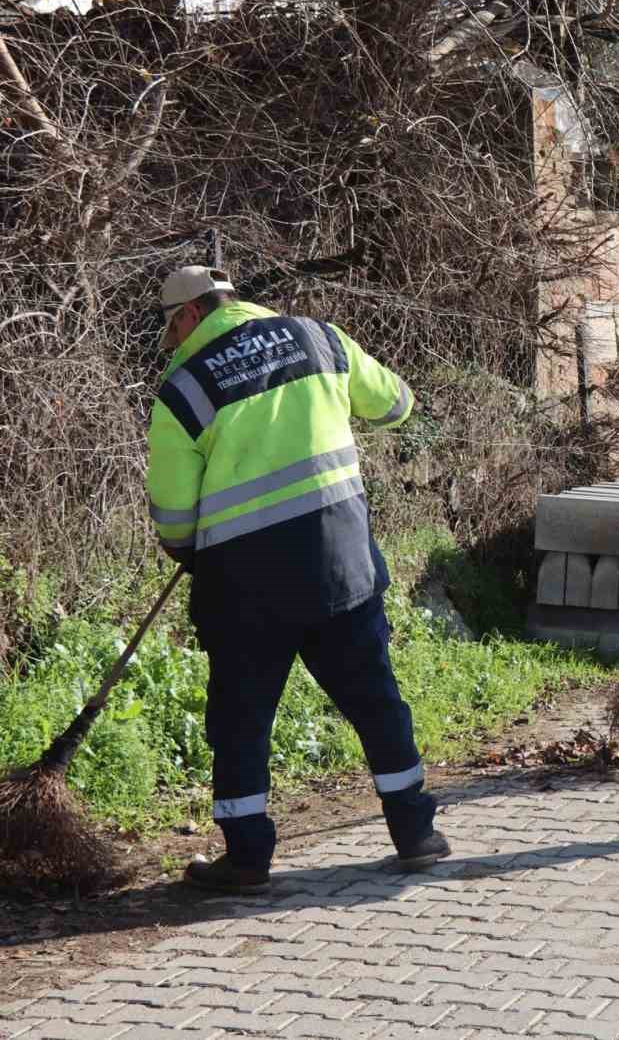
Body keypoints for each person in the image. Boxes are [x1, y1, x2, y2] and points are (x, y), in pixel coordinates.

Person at [146, 266, 449, 893]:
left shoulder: (183, 392)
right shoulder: (320, 338)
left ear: (193, 315)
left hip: (244, 587)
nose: (172, 343)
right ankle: (415, 833)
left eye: (172, 328)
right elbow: (396, 403)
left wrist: (190, 552)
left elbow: (174, 516)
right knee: (375, 700)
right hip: (340, 565)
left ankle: (248, 859)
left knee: (241, 719)